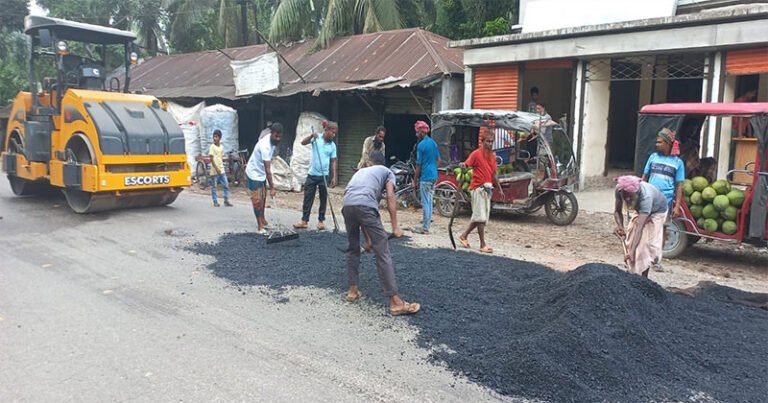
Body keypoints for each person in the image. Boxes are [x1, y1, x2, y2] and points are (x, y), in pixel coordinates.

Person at [342, 151, 420, 316]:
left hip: (347, 205)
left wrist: (369, 240)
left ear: (370, 162)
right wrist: (395, 227)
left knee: (353, 248)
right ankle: (395, 302)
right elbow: (390, 196)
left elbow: (362, 211)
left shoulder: (361, 172)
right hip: (364, 206)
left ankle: (352, 290)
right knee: (382, 253)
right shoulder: (387, 172)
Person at [458, 127, 503, 253]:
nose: (490, 144)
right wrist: (463, 166)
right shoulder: (476, 154)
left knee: (480, 216)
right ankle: (483, 244)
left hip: (487, 189)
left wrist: (500, 188)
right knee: (481, 217)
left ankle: (464, 236)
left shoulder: (492, 156)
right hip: (477, 188)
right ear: (482, 142)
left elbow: (494, 174)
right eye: (487, 141)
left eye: (491, 141)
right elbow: (466, 165)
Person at [613, 175, 668, 278]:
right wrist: (620, 227)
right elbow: (617, 211)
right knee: (630, 239)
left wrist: (632, 252)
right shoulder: (619, 189)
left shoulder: (646, 197)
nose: (627, 198)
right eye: (625, 196)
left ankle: (643, 278)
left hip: (657, 211)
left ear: (636, 193)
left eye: (630, 196)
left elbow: (640, 228)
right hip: (641, 210)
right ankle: (632, 272)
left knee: (645, 246)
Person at [294, 120, 338, 230]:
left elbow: (333, 161)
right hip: (312, 174)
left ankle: (321, 221)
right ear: (326, 130)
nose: (334, 135)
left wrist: (334, 176)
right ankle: (304, 221)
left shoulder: (332, 146)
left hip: (324, 175)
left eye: (335, 133)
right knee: (308, 198)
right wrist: (311, 136)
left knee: (323, 199)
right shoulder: (316, 138)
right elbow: (303, 143)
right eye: (332, 132)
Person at [245, 122, 282, 234]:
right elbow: (268, 170)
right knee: (257, 200)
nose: (278, 138)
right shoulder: (265, 146)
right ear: (271, 133)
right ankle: (259, 226)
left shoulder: (273, 142)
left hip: (261, 173)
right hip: (253, 173)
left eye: (280, 136)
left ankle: (263, 219)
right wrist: (272, 188)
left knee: (263, 197)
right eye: (276, 136)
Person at [642, 127, 685, 216]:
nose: (656, 144)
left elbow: (679, 186)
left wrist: (677, 207)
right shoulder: (653, 157)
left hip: (666, 201)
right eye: (656, 142)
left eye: (659, 142)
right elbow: (644, 178)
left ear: (667, 144)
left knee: (662, 223)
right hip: (650, 198)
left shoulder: (678, 163)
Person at [412, 120, 440, 234]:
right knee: (430, 201)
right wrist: (433, 169)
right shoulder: (433, 143)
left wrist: (414, 181)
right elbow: (438, 160)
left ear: (422, 132)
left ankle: (425, 228)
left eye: (417, 132)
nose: (416, 134)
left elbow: (418, 165)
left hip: (426, 177)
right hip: (434, 176)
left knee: (425, 202)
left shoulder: (421, 145)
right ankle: (426, 224)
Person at [208, 130, 232, 207]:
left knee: (226, 185)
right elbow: (211, 159)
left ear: (220, 138)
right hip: (214, 170)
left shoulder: (221, 147)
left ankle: (226, 200)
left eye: (216, 137)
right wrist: (216, 168)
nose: (214, 138)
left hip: (221, 169)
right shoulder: (212, 147)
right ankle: (215, 201)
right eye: (214, 137)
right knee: (214, 187)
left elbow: (221, 157)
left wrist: (221, 167)